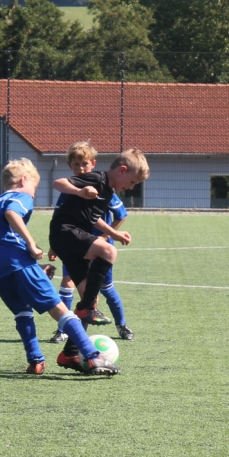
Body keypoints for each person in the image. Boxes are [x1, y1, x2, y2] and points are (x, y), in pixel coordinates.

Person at [0, 158, 119, 375]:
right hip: (14, 261)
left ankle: (36, 360)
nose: (34, 194)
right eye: (34, 187)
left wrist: (34, 265)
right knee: (59, 308)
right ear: (24, 180)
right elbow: (12, 214)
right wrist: (31, 245)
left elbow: (1, 233)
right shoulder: (21, 196)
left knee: (22, 311)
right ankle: (93, 357)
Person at [49, 149, 149, 371]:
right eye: (132, 181)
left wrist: (115, 234)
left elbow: (93, 219)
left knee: (89, 297)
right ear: (122, 170)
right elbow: (58, 182)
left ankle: (70, 355)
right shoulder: (97, 178)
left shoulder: (108, 190)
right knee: (109, 253)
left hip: (69, 238)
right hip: (65, 232)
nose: (131, 187)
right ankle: (86, 308)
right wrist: (79, 190)